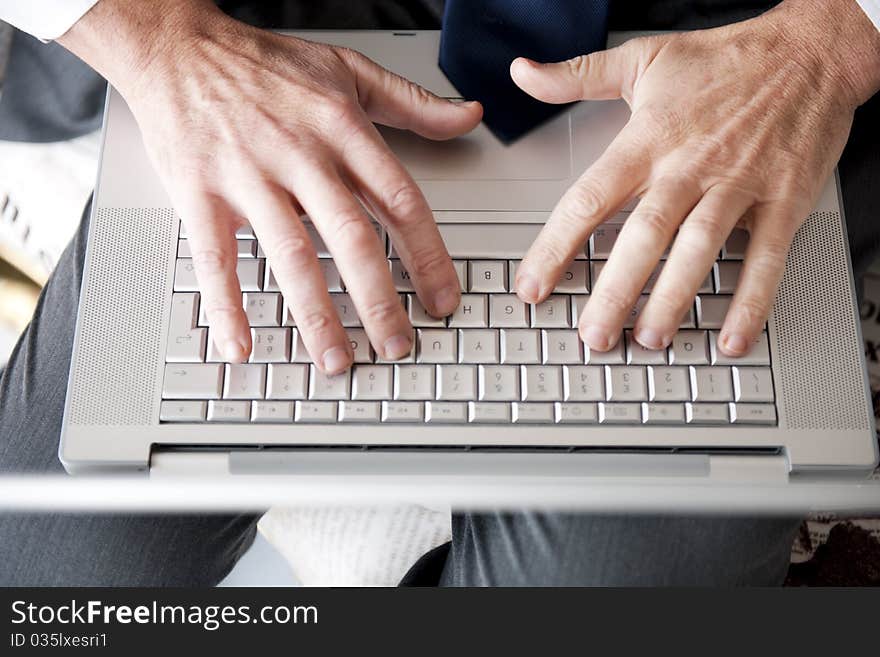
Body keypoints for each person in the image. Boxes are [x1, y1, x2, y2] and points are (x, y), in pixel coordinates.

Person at [0, 0, 878, 586]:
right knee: (45, 575)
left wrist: (829, 41)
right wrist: (151, 36)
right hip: (283, 35)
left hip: (722, 51)